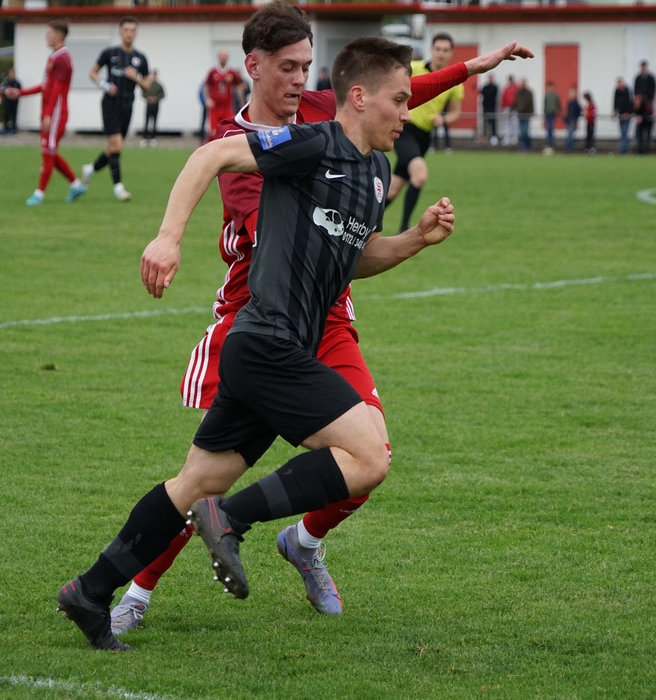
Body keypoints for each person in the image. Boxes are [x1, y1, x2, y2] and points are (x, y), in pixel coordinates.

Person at [107, 1, 533, 634]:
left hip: (328, 316)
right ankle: (137, 591)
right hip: (258, 315)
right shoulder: (240, 149)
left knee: (371, 453)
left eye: (308, 67)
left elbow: (390, 94)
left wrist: (472, 67)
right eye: (289, 67)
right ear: (254, 66)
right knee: (205, 479)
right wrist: (169, 237)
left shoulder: (320, 114)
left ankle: (304, 541)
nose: (301, 80)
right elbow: (290, 233)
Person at [57, 35, 456, 653]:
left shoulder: (377, 174)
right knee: (369, 455)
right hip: (268, 344)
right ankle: (234, 520)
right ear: (358, 97)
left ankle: (90, 590)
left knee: (195, 483)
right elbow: (211, 156)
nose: (408, 114)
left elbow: (354, 257)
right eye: (399, 100)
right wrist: (168, 238)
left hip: (273, 354)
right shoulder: (311, 144)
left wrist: (415, 240)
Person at [386, 33, 465, 233]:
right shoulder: (414, 69)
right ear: (431, 49)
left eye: (445, 50)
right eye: (438, 49)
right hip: (405, 130)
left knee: (393, 189)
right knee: (420, 175)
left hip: (424, 138)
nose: (441, 53)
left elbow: (455, 113)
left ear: (451, 53)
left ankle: (360, 223)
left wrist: (443, 120)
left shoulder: (455, 81)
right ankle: (404, 229)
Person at [7, 21, 87, 206]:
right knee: (50, 152)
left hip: (56, 113)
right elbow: (46, 86)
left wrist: (49, 114)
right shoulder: (55, 57)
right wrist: (20, 93)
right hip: (51, 112)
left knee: (48, 152)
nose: (46, 36)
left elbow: (57, 89)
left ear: (58, 36)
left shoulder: (62, 59)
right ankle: (76, 184)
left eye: (49, 33)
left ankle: (39, 193)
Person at [83, 16, 151, 202]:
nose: (129, 33)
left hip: (127, 106)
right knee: (117, 145)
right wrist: (104, 85)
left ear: (136, 33)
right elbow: (92, 73)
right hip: (110, 104)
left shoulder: (141, 58)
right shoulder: (109, 53)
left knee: (113, 147)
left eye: (132, 30)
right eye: (126, 30)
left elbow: (147, 86)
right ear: (120, 32)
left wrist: (136, 78)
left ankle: (90, 169)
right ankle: (118, 188)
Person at [203, 49, 244, 142]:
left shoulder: (232, 73)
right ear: (218, 57)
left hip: (227, 107)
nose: (223, 58)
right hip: (215, 107)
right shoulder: (212, 72)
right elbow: (206, 87)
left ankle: (225, 150)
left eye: (225, 56)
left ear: (228, 58)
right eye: (222, 56)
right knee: (213, 132)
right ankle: (211, 149)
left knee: (227, 132)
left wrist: (242, 104)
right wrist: (207, 99)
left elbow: (239, 88)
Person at [140, 69, 165, 147]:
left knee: (154, 121)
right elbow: (143, 93)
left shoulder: (159, 85)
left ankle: (153, 138)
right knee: (146, 121)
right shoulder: (148, 84)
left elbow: (162, 94)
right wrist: (148, 98)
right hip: (149, 105)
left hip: (155, 105)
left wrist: (156, 98)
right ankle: (145, 137)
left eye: (155, 75)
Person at [612, 77, 633, 154]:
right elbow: (615, 102)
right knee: (622, 132)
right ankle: (623, 148)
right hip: (620, 114)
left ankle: (623, 149)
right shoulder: (617, 91)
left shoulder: (627, 91)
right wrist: (615, 111)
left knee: (624, 131)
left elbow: (629, 102)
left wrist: (628, 112)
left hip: (627, 115)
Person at [513, 77, 534, 152]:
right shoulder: (518, 93)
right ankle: (524, 147)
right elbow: (515, 102)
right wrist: (511, 109)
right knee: (522, 132)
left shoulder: (529, 92)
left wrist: (532, 112)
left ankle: (527, 146)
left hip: (527, 114)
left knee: (525, 132)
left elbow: (531, 103)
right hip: (520, 114)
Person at [0, 68, 21, 136]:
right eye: (11, 74)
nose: (12, 75)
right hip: (7, 102)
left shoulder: (17, 83)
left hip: (14, 102)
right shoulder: (6, 82)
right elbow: (2, 89)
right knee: (6, 115)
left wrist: (15, 93)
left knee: (14, 115)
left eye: (14, 74)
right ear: (9, 74)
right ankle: (5, 128)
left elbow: (20, 91)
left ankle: (14, 128)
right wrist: (6, 90)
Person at [542, 79, 561, 153]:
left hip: (553, 114)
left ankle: (551, 143)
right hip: (547, 114)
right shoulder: (546, 95)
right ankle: (548, 143)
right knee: (548, 129)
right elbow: (545, 104)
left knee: (550, 128)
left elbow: (558, 104)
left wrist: (558, 110)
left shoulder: (555, 95)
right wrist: (544, 112)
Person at [481, 73, 499, 145]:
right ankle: (485, 136)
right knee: (485, 122)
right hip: (486, 108)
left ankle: (493, 136)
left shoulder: (495, 87)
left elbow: (493, 93)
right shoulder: (485, 87)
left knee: (493, 122)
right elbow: (482, 93)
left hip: (492, 108)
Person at [564, 86, 581, 153]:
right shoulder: (569, 102)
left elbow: (578, 112)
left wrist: (575, 119)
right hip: (569, 121)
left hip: (572, 121)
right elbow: (568, 113)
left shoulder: (576, 103)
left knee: (570, 136)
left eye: (572, 93)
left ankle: (569, 148)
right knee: (568, 135)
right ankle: (568, 148)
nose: (570, 94)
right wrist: (565, 119)